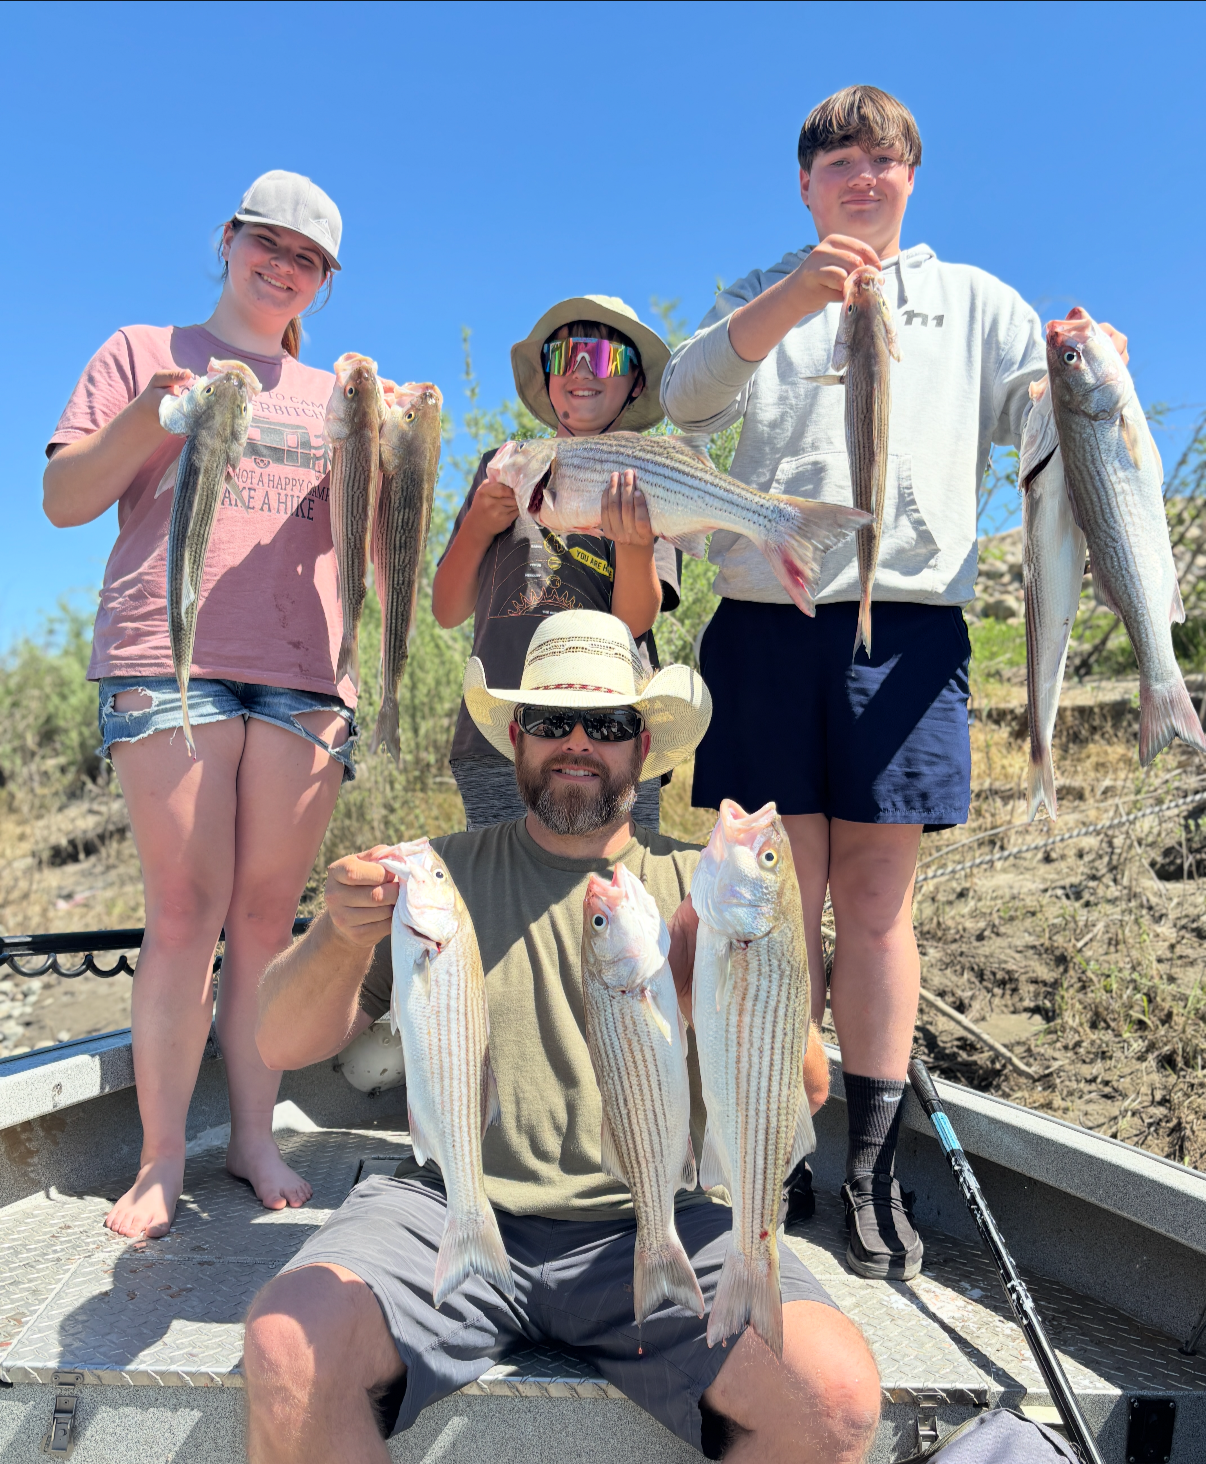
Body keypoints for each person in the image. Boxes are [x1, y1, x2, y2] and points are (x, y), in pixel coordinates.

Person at [660, 86, 1130, 1280]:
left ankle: (867, 1168)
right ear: (806, 185)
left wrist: (1094, 362)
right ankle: (774, 1149)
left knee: (875, 909)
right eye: (838, 163)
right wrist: (786, 302)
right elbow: (686, 399)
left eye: (883, 161)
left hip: (911, 629)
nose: (862, 178)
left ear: (911, 177)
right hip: (770, 627)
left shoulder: (974, 301)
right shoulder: (760, 290)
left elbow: (1046, 406)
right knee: (772, 914)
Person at [246, 610, 878, 1464]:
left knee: (834, 1398)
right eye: (551, 720)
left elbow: (802, 1089)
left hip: (657, 1217)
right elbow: (276, 1040)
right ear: (516, 735)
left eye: (609, 725)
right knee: (287, 1341)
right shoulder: (433, 875)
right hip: (452, 1201)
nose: (578, 742)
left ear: (642, 745)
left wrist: (718, 988)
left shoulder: (706, 887)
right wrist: (338, 931)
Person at [43, 170, 362, 1239]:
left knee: (267, 920)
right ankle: (161, 1155)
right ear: (227, 240)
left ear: (322, 283)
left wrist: (392, 436)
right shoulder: (143, 351)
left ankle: (253, 1139)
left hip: (305, 668)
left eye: (307, 259)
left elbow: (360, 546)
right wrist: (153, 414)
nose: (282, 267)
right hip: (167, 656)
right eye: (267, 244)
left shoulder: (333, 399)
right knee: (185, 910)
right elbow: (64, 499)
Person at [432, 296, 682, 832]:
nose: (583, 369)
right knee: (500, 900)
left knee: (618, 900)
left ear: (636, 382)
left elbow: (635, 623)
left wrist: (635, 544)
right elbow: (448, 610)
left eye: (605, 356)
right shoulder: (504, 467)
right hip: (499, 734)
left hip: (611, 737)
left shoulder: (652, 474)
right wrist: (477, 525)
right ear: (545, 374)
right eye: (566, 354)